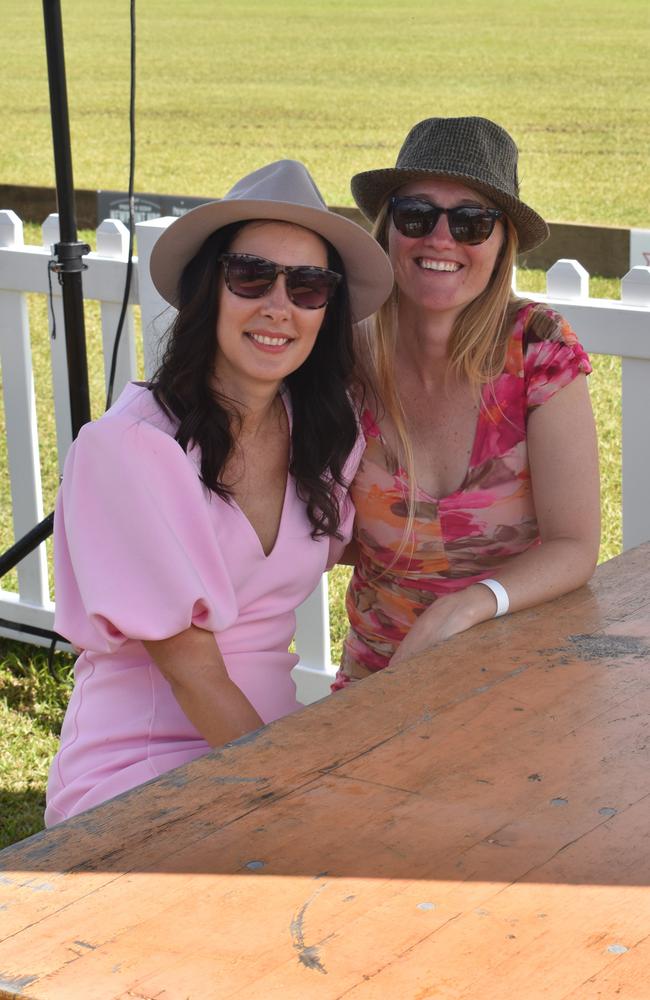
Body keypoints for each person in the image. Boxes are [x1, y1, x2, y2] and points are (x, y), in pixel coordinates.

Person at [45, 159, 393, 824]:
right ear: (210, 289)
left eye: (309, 287)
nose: (277, 307)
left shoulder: (322, 433)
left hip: (268, 739)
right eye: (251, 275)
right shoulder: (131, 448)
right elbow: (193, 673)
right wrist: (294, 804)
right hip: (140, 770)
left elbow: (381, 545)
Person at [334, 116, 600, 687]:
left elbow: (574, 545)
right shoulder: (342, 360)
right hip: (376, 688)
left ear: (502, 241)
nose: (440, 239)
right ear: (387, 231)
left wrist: (463, 606)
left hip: (515, 682)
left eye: (472, 221)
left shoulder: (537, 348)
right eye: (416, 215)